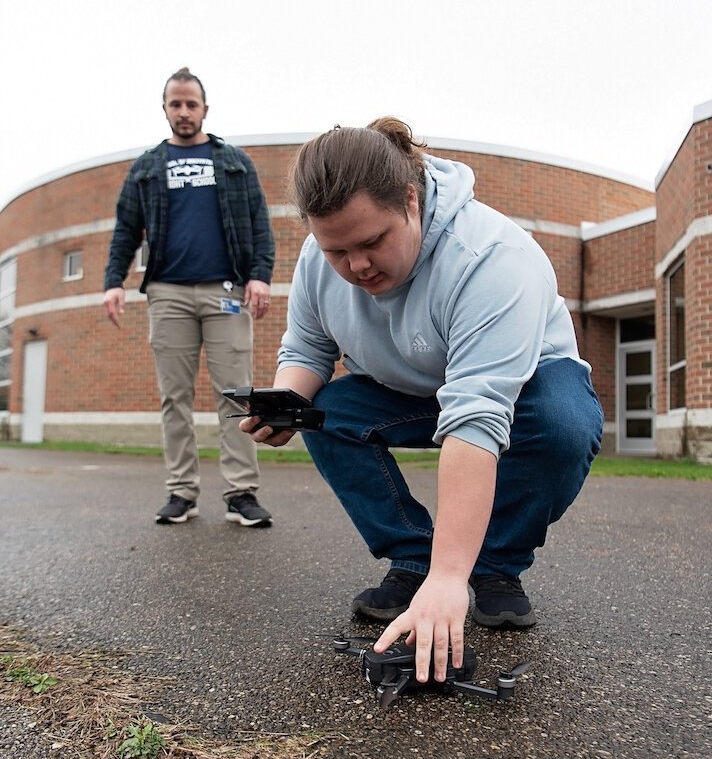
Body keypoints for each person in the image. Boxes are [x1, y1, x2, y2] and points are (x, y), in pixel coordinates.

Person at [241, 117, 604, 684]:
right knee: (327, 414)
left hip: (524, 385)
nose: (356, 266)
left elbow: (478, 416)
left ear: (410, 200)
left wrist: (451, 576)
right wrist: (287, 402)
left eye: (371, 242)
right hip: (409, 385)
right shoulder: (319, 259)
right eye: (337, 249)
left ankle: (492, 566)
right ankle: (413, 557)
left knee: (563, 425)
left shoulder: (491, 258)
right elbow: (309, 346)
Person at [103, 67, 275, 527]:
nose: (183, 111)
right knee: (173, 397)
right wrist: (113, 282)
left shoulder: (234, 161)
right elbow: (125, 229)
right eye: (175, 104)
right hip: (167, 293)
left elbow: (260, 222)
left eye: (191, 104)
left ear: (204, 109)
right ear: (165, 108)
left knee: (236, 396)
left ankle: (241, 492)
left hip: (227, 291)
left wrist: (260, 276)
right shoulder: (146, 166)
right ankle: (182, 492)